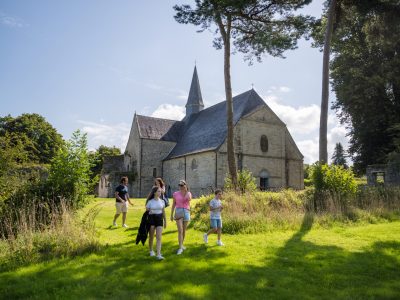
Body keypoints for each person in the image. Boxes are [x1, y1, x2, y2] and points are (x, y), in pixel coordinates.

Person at [170, 179, 192, 255]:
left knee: (184, 231)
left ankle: (181, 245)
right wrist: (171, 215)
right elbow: (173, 204)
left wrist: (186, 191)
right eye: (179, 185)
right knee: (180, 230)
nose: (180, 186)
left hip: (186, 211)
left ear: (185, 185)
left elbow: (189, 199)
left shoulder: (188, 193)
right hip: (178, 211)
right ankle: (180, 248)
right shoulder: (175, 194)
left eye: (182, 185)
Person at [146, 186, 167, 260]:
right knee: (151, 236)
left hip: (159, 219)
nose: (160, 193)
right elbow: (146, 211)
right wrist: (149, 212)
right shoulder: (150, 202)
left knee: (159, 237)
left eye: (160, 191)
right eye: (158, 191)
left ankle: (158, 254)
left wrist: (165, 221)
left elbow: (163, 212)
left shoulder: (162, 201)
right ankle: (151, 250)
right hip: (151, 219)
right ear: (154, 192)